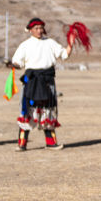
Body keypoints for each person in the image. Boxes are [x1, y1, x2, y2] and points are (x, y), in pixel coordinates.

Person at [8, 18, 75, 151]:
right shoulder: (25, 45)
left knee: (48, 110)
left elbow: (64, 54)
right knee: (28, 110)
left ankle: (51, 143)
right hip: (31, 81)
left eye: (41, 28)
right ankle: (22, 144)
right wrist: (11, 64)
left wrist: (71, 43)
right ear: (30, 30)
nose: (39, 30)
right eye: (36, 28)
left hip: (47, 81)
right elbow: (17, 63)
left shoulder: (50, 43)